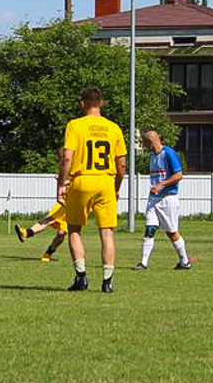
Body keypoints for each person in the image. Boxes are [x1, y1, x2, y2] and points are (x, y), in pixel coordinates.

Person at [57, 87, 127, 293]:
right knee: (107, 232)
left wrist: (62, 183)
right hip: (105, 180)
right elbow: (122, 164)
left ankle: (81, 278)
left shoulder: (75, 125)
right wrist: (116, 187)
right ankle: (107, 282)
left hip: (82, 180)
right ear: (101, 104)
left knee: (74, 229)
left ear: (82, 104)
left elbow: (67, 157)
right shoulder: (114, 128)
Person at [136, 130, 191, 270]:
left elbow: (178, 175)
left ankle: (184, 262)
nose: (143, 146)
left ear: (150, 142)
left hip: (168, 198)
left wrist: (161, 185)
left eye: (144, 143)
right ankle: (143, 263)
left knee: (172, 232)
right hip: (154, 199)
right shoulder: (152, 156)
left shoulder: (168, 153)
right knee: (149, 228)